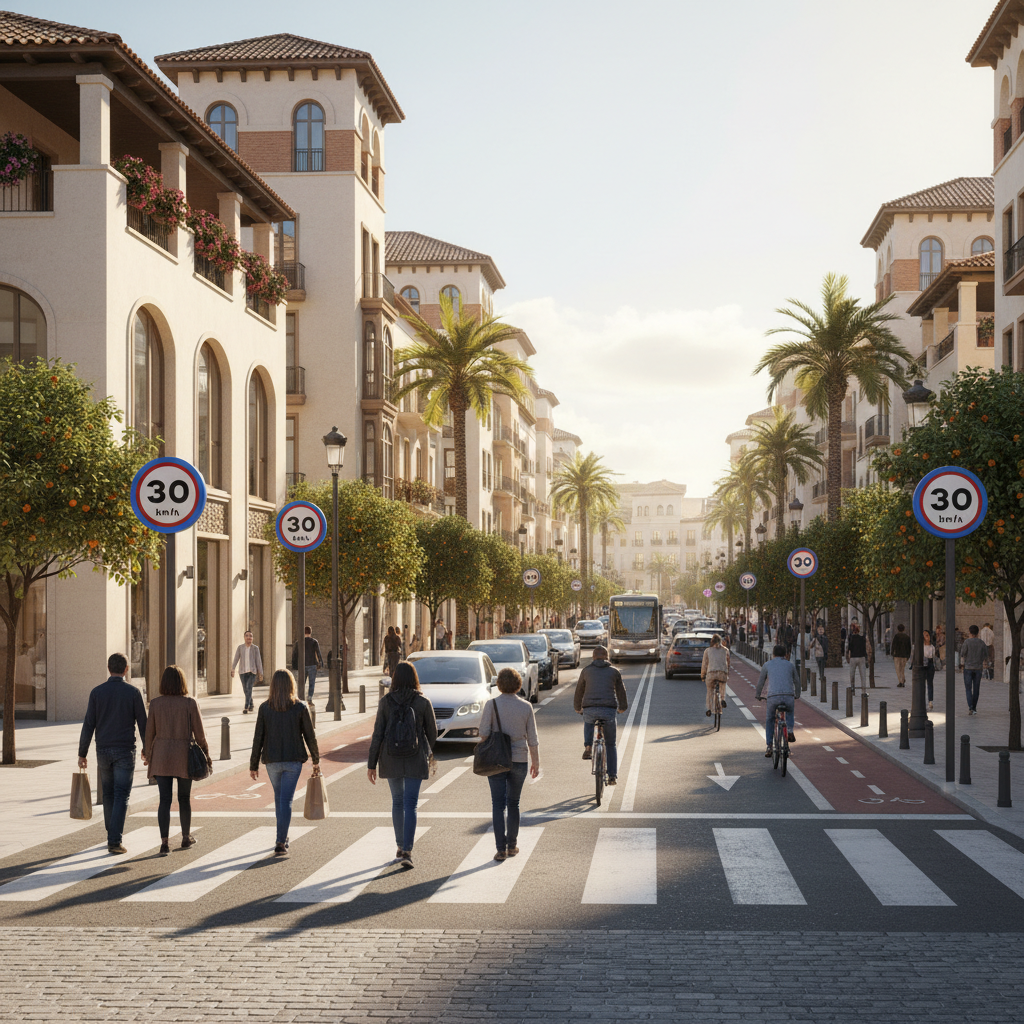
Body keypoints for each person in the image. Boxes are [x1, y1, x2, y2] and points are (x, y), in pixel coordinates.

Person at [367, 661, 437, 869]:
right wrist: (429, 754)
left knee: (397, 802)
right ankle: (407, 849)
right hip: (415, 757)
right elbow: (432, 733)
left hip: (391, 756)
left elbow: (378, 734)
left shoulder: (386, 701)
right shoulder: (423, 702)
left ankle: (399, 846)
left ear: (395, 678)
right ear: (415, 678)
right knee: (411, 804)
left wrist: (371, 764)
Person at [77, 653, 147, 854]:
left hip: (103, 750)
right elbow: (143, 724)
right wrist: (147, 749)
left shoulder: (97, 693)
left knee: (108, 793)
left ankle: (112, 833)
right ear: (126, 669)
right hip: (125, 749)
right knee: (121, 794)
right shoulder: (133, 693)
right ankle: (114, 839)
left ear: (109, 668)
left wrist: (82, 753)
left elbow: (88, 724)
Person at [142, 665, 211, 855]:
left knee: (164, 800)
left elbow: (149, 734)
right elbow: (200, 734)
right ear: (183, 682)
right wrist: (206, 753)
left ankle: (164, 842)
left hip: (162, 755)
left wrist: (147, 754)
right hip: (184, 755)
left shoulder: (155, 704)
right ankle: (186, 837)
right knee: (184, 798)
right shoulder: (189, 703)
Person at [250, 669, 320, 856]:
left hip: (272, 761)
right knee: (286, 800)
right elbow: (309, 736)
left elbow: (258, 737)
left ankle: (281, 836)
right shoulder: (300, 707)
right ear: (291, 685)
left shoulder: (265, 708)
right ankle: (281, 841)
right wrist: (315, 759)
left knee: (279, 799)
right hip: (292, 761)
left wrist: (253, 764)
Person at [480, 667, 540, 862]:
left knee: (498, 805)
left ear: (499, 685)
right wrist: (536, 762)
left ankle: (500, 849)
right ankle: (512, 845)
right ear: (518, 684)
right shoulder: (526, 707)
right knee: (513, 803)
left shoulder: (491, 705)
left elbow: (483, 733)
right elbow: (533, 738)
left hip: (497, 759)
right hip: (520, 759)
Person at [574, 645, 627, 784]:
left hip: (590, 709)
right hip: (609, 710)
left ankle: (588, 746)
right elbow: (621, 691)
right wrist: (622, 708)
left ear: (593, 657)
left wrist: (577, 707)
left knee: (588, 719)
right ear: (607, 657)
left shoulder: (586, 671)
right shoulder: (614, 672)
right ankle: (612, 776)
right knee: (610, 744)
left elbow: (579, 690)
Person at [755, 644, 801, 757]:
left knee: (770, 719)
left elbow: (761, 682)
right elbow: (797, 681)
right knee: (790, 711)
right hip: (788, 696)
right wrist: (797, 694)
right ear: (786, 655)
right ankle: (789, 730)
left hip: (773, 697)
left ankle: (769, 746)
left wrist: (758, 695)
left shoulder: (767, 665)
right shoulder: (790, 665)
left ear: (773, 654)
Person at [230, 630, 264, 714]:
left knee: (249, 688)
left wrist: (261, 673)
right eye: (247, 636)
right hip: (242, 672)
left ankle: (246, 706)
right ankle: (251, 704)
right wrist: (233, 668)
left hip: (252, 672)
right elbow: (236, 658)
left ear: (252, 638)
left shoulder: (255, 648)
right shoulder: (240, 648)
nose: (249, 637)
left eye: (251, 636)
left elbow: (258, 661)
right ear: (244, 637)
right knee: (246, 690)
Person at [961, 624, 989, 716]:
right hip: (978, 668)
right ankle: (974, 707)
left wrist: (963, 663)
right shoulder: (981, 643)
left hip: (968, 667)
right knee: (976, 688)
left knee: (968, 688)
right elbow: (986, 654)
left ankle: (970, 707)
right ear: (977, 633)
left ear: (970, 632)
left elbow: (963, 653)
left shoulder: (967, 642)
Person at [700, 635, 730, 718]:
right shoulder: (725, 650)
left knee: (710, 691)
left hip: (711, 673)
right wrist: (727, 673)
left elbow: (704, 664)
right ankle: (723, 700)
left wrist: (703, 676)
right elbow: (728, 663)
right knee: (722, 686)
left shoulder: (707, 651)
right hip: (722, 673)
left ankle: (709, 709)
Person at [846, 622, 867, 691]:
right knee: (863, 675)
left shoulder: (851, 638)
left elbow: (849, 648)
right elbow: (865, 648)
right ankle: (863, 690)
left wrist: (847, 657)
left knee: (852, 674)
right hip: (861, 657)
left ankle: (852, 688)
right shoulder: (862, 638)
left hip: (853, 657)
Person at [922, 629, 936, 709]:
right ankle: (922, 700)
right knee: (922, 684)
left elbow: (933, 657)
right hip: (922, 666)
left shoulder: (932, 647)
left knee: (930, 683)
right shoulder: (921, 647)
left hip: (930, 666)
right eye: (926, 635)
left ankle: (930, 700)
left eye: (928, 635)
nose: (928, 637)